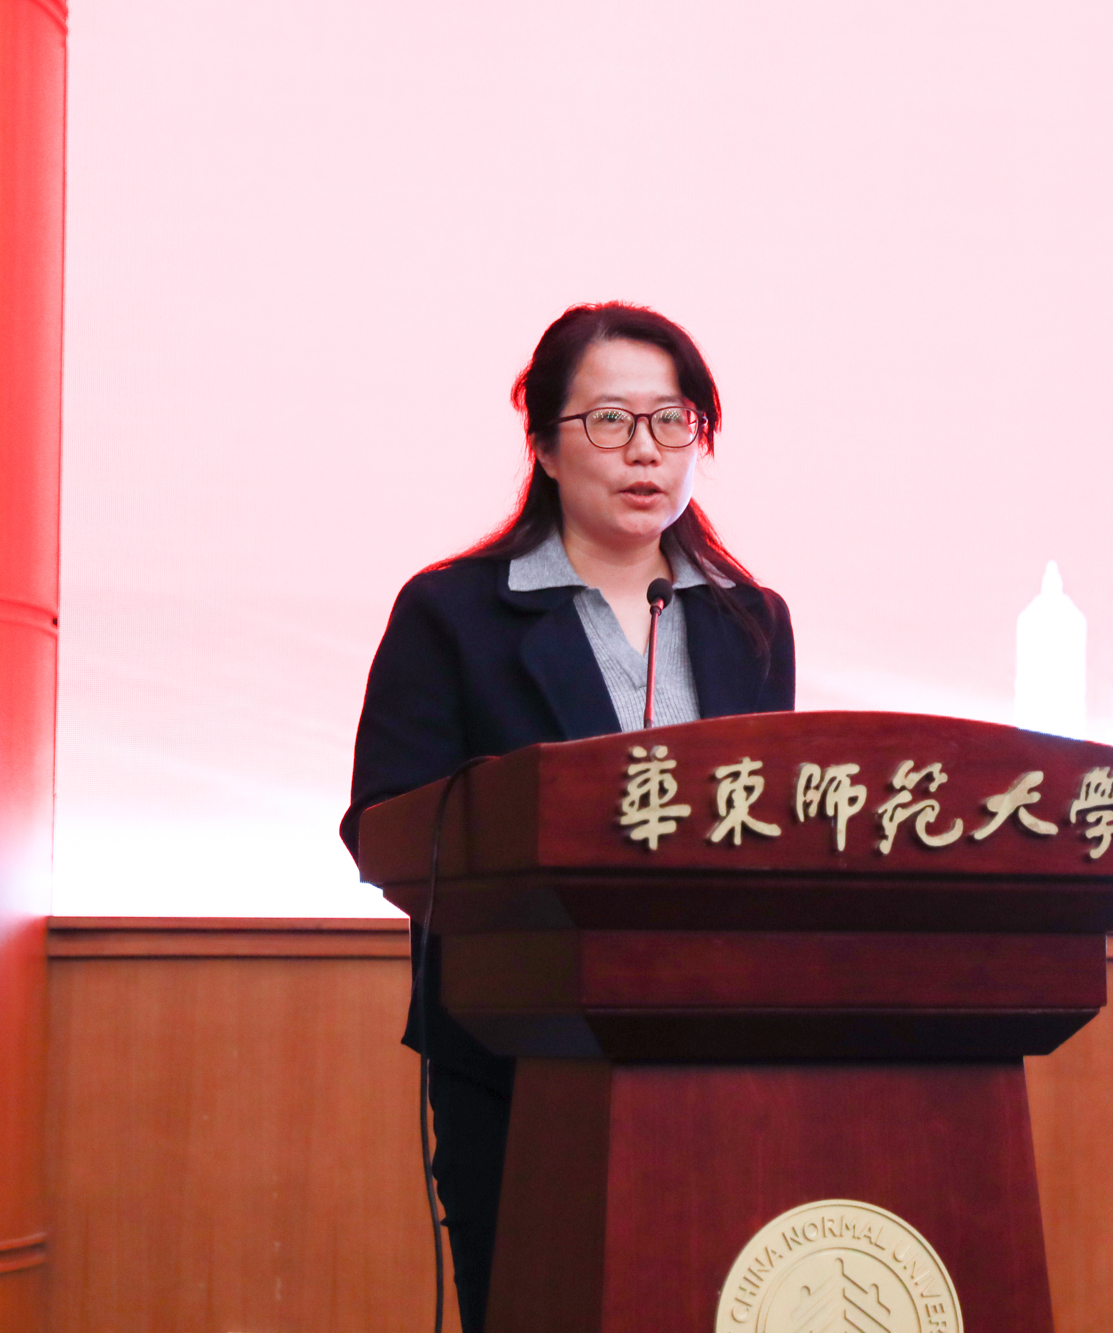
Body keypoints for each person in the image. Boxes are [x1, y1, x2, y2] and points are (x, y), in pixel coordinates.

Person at [339, 302, 794, 1333]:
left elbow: (770, 833)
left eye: (672, 421)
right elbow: (384, 829)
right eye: (609, 421)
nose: (646, 451)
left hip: (717, 1053)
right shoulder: (455, 612)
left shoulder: (749, 621)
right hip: (521, 1054)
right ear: (544, 446)